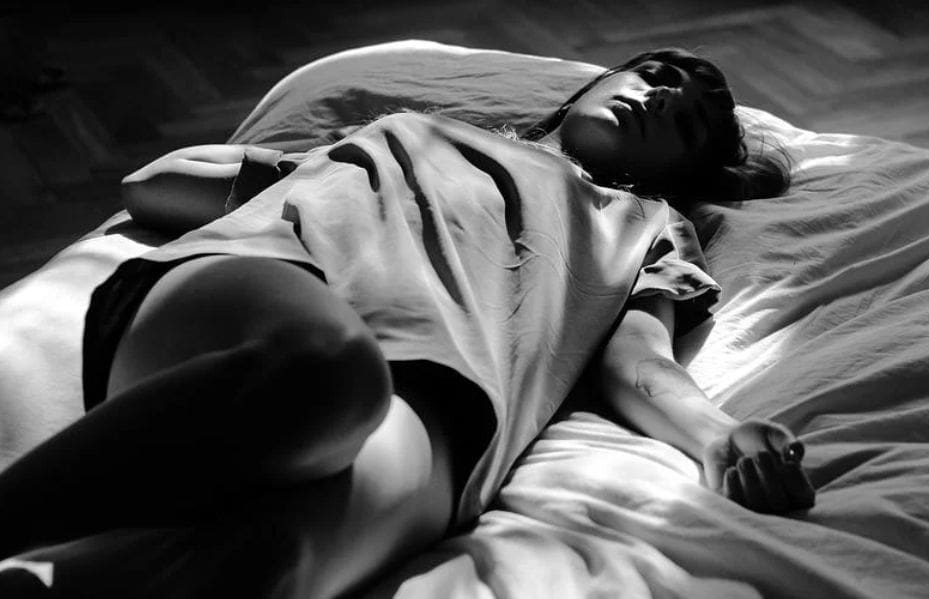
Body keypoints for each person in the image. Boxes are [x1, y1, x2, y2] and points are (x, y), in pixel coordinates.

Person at [0, 48, 813, 596]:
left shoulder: (652, 228)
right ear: (586, 92)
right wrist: (313, 164)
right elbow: (153, 187)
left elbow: (638, 360)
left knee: (272, 562)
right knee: (323, 373)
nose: (663, 94)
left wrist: (717, 436)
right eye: (655, 74)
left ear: (686, 170)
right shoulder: (419, 131)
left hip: (444, 415)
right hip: (271, 291)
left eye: (687, 119)